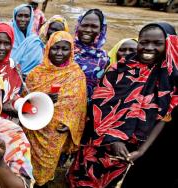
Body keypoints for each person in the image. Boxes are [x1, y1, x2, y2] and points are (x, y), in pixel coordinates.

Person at [67, 22, 178, 188]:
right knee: (84, 176)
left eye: (157, 43)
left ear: (168, 45)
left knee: (109, 181)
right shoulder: (119, 68)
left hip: (132, 148)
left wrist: (141, 151)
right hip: (100, 138)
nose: (148, 47)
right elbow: (99, 102)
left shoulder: (170, 79)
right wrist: (113, 138)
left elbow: (164, 118)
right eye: (144, 42)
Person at [25, 31, 87, 186]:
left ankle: (42, 183)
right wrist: (43, 97)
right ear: (47, 49)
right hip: (34, 127)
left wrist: (69, 125)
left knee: (47, 165)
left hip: (56, 132)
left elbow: (78, 107)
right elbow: (25, 102)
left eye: (64, 49)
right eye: (55, 48)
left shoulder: (76, 74)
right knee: (27, 160)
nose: (59, 53)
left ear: (71, 50)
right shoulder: (36, 74)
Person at [74, 9, 109, 101]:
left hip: (87, 110)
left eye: (94, 26)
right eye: (84, 25)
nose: (88, 30)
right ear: (78, 26)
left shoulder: (104, 59)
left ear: (101, 29)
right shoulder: (64, 50)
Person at [10, 4, 44, 75]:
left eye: (26, 16)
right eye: (20, 16)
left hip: (31, 78)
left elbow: (39, 63)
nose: (23, 19)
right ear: (14, 17)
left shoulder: (35, 40)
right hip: (10, 78)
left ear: (31, 18)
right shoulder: (8, 35)